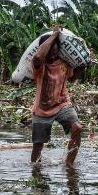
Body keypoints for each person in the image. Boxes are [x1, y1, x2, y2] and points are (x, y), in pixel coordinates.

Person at [30, 26, 85, 167]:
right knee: (38, 146)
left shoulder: (64, 63)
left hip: (62, 104)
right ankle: (36, 171)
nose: (53, 56)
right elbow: (37, 56)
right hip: (42, 108)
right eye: (50, 53)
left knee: (77, 127)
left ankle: (69, 165)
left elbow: (71, 79)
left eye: (56, 52)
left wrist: (84, 64)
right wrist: (54, 35)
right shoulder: (39, 65)